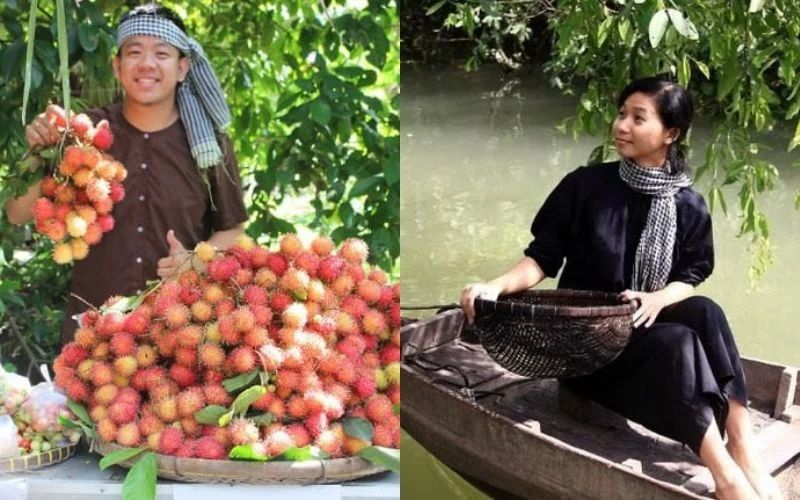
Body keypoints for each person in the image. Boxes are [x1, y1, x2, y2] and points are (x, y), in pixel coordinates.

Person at [460, 77, 781, 500]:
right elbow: (542, 258)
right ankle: (726, 477)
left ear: (671, 133)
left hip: (640, 324)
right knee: (678, 343)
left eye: (637, 118)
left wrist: (657, 298)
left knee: (705, 312)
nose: (621, 126)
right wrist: (494, 286)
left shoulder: (688, 203)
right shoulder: (586, 186)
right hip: (587, 348)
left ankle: (740, 443)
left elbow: (692, 273)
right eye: (621, 114)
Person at [4, 3, 248, 344]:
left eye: (161, 53)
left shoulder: (208, 144)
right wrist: (38, 150)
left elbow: (233, 227)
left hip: (179, 334)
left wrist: (195, 262)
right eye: (134, 52)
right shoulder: (84, 134)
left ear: (182, 68)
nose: (147, 64)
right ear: (118, 66)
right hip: (92, 336)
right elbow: (16, 214)